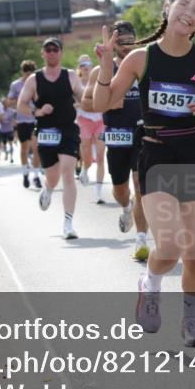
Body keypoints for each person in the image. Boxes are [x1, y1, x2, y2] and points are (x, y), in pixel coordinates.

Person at [95, 0, 195, 346]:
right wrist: (107, 65)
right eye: (184, 4)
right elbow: (103, 102)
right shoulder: (140, 59)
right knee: (168, 247)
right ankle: (150, 284)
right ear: (168, 7)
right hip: (156, 157)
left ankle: (190, 320)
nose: (190, 12)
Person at [82, 20, 151, 260]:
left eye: (129, 41)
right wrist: (110, 101)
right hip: (117, 133)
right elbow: (86, 103)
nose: (126, 46)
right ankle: (125, 208)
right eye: (120, 42)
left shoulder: (146, 64)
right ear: (113, 42)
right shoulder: (102, 68)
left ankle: (141, 240)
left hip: (143, 133)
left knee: (141, 186)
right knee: (121, 189)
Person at [18, 37, 84, 239]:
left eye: (55, 49)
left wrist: (86, 103)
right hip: (46, 132)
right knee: (53, 178)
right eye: (48, 50)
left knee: (68, 173)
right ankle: (47, 188)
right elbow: (21, 104)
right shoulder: (34, 79)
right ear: (43, 54)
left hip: (68, 130)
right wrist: (37, 112)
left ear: (61, 53)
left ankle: (68, 222)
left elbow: (84, 98)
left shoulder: (71, 76)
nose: (52, 53)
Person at [76, 54, 107, 202]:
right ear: (79, 68)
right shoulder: (76, 83)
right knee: (87, 156)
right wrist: (77, 104)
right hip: (84, 120)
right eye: (83, 64)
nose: (86, 66)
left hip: (100, 120)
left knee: (101, 156)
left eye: (88, 63)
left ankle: (98, 192)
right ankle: (84, 168)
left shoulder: (98, 79)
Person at [8, 61, 42, 190]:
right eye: (26, 72)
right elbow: (9, 102)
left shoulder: (38, 82)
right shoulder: (16, 85)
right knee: (24, 148)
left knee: (36, 148)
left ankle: (36, 176)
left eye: (31, 72)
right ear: (22, 72)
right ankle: (25, 173)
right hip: (22, 121)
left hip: (35, 120)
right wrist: (22, 99)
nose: (28, 75)